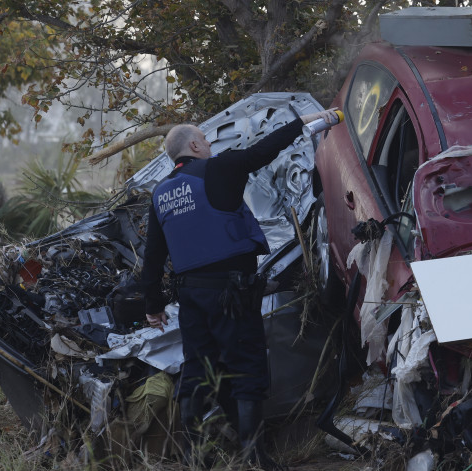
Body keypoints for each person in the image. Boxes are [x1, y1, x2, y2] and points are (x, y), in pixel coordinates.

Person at [140, 108, 339, 469]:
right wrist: (305, 121)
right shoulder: (218, 168)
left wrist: (152, 304)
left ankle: (193, 458)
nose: (211, 145)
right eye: (206, 140)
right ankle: (254, 459)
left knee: (199, 369)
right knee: (246, 369)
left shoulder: (161, 193)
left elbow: (152, 256)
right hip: (231, 294)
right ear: (197, 144)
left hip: (191, 298)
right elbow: (264, 150)